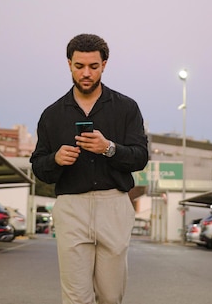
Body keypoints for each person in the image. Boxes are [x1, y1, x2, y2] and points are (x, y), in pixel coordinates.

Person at [31, 33, 149, 304]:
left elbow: (140, 157)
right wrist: (56, 159)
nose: (86, 73)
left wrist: (108, 148)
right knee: (75, 297)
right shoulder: (52, 114)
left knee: (111, 295)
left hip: (114, 205)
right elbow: (39, 166)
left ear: (104, 65)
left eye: (93, 67)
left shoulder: (127, 108)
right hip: (72, 206)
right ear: (69, 64)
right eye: (79, 66)